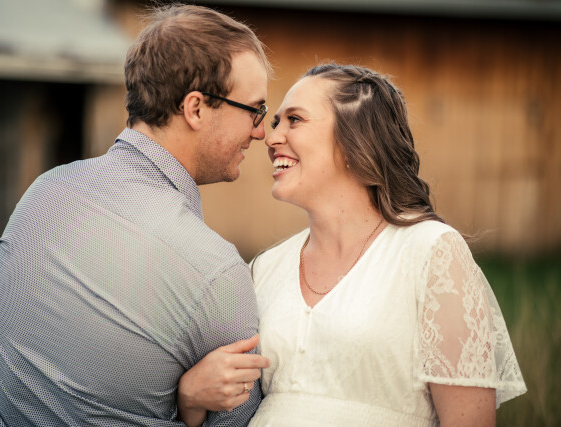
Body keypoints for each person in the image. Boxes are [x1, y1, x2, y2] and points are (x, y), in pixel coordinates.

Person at [182, 64, 527, 426]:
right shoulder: (264, 268)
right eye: (276, 122)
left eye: (294, 120)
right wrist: (190, 398)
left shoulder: (430, 252)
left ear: (355, 140)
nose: (271, 139)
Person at [0, 4, 272, 426]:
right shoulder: (214, 272)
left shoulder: (43, 193)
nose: (260, 131)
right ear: (195, 109)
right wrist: (187, 404)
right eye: (254, 110)